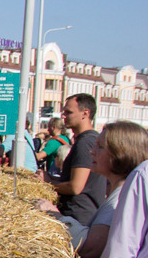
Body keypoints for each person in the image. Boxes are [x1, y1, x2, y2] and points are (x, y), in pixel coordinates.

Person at [39, 122, 148, 258]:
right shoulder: (123, 191)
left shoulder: (122, 197)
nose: (92, 152)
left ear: (121, 153)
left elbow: (90, 248)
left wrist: (55, 215)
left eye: (100, 147)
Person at [38, 93, 106, 227]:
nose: (63, 116)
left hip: (78, 218)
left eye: (68, 112)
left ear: (85, 113)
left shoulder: (85, 142)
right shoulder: (87, 140)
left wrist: (48, 182)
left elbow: (75, 187)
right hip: (80, 215)